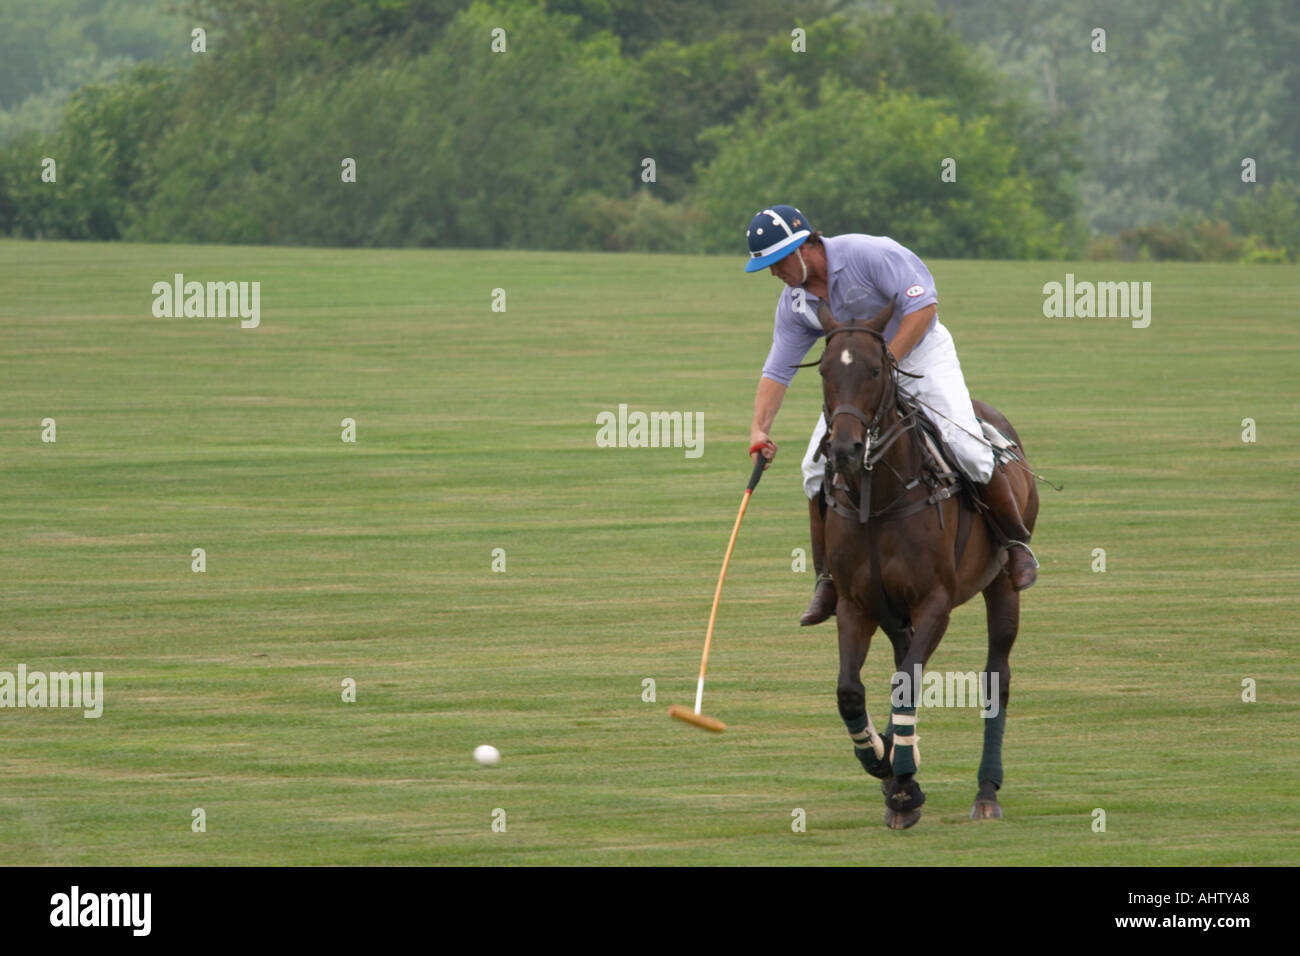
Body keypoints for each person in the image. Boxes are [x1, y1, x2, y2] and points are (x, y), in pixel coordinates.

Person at [742, 205, 1038, 626]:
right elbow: (777, 370)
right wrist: (759, 429)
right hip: (856, 383)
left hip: (919, 355)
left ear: (802, 247)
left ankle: (1015, 545)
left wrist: (888, 362)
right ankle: (827, 577)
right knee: (812, 468)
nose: (773, 273)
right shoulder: (795, 303)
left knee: (966, 448)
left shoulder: (870, 255)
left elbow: (924, 306)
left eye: (775, 262)